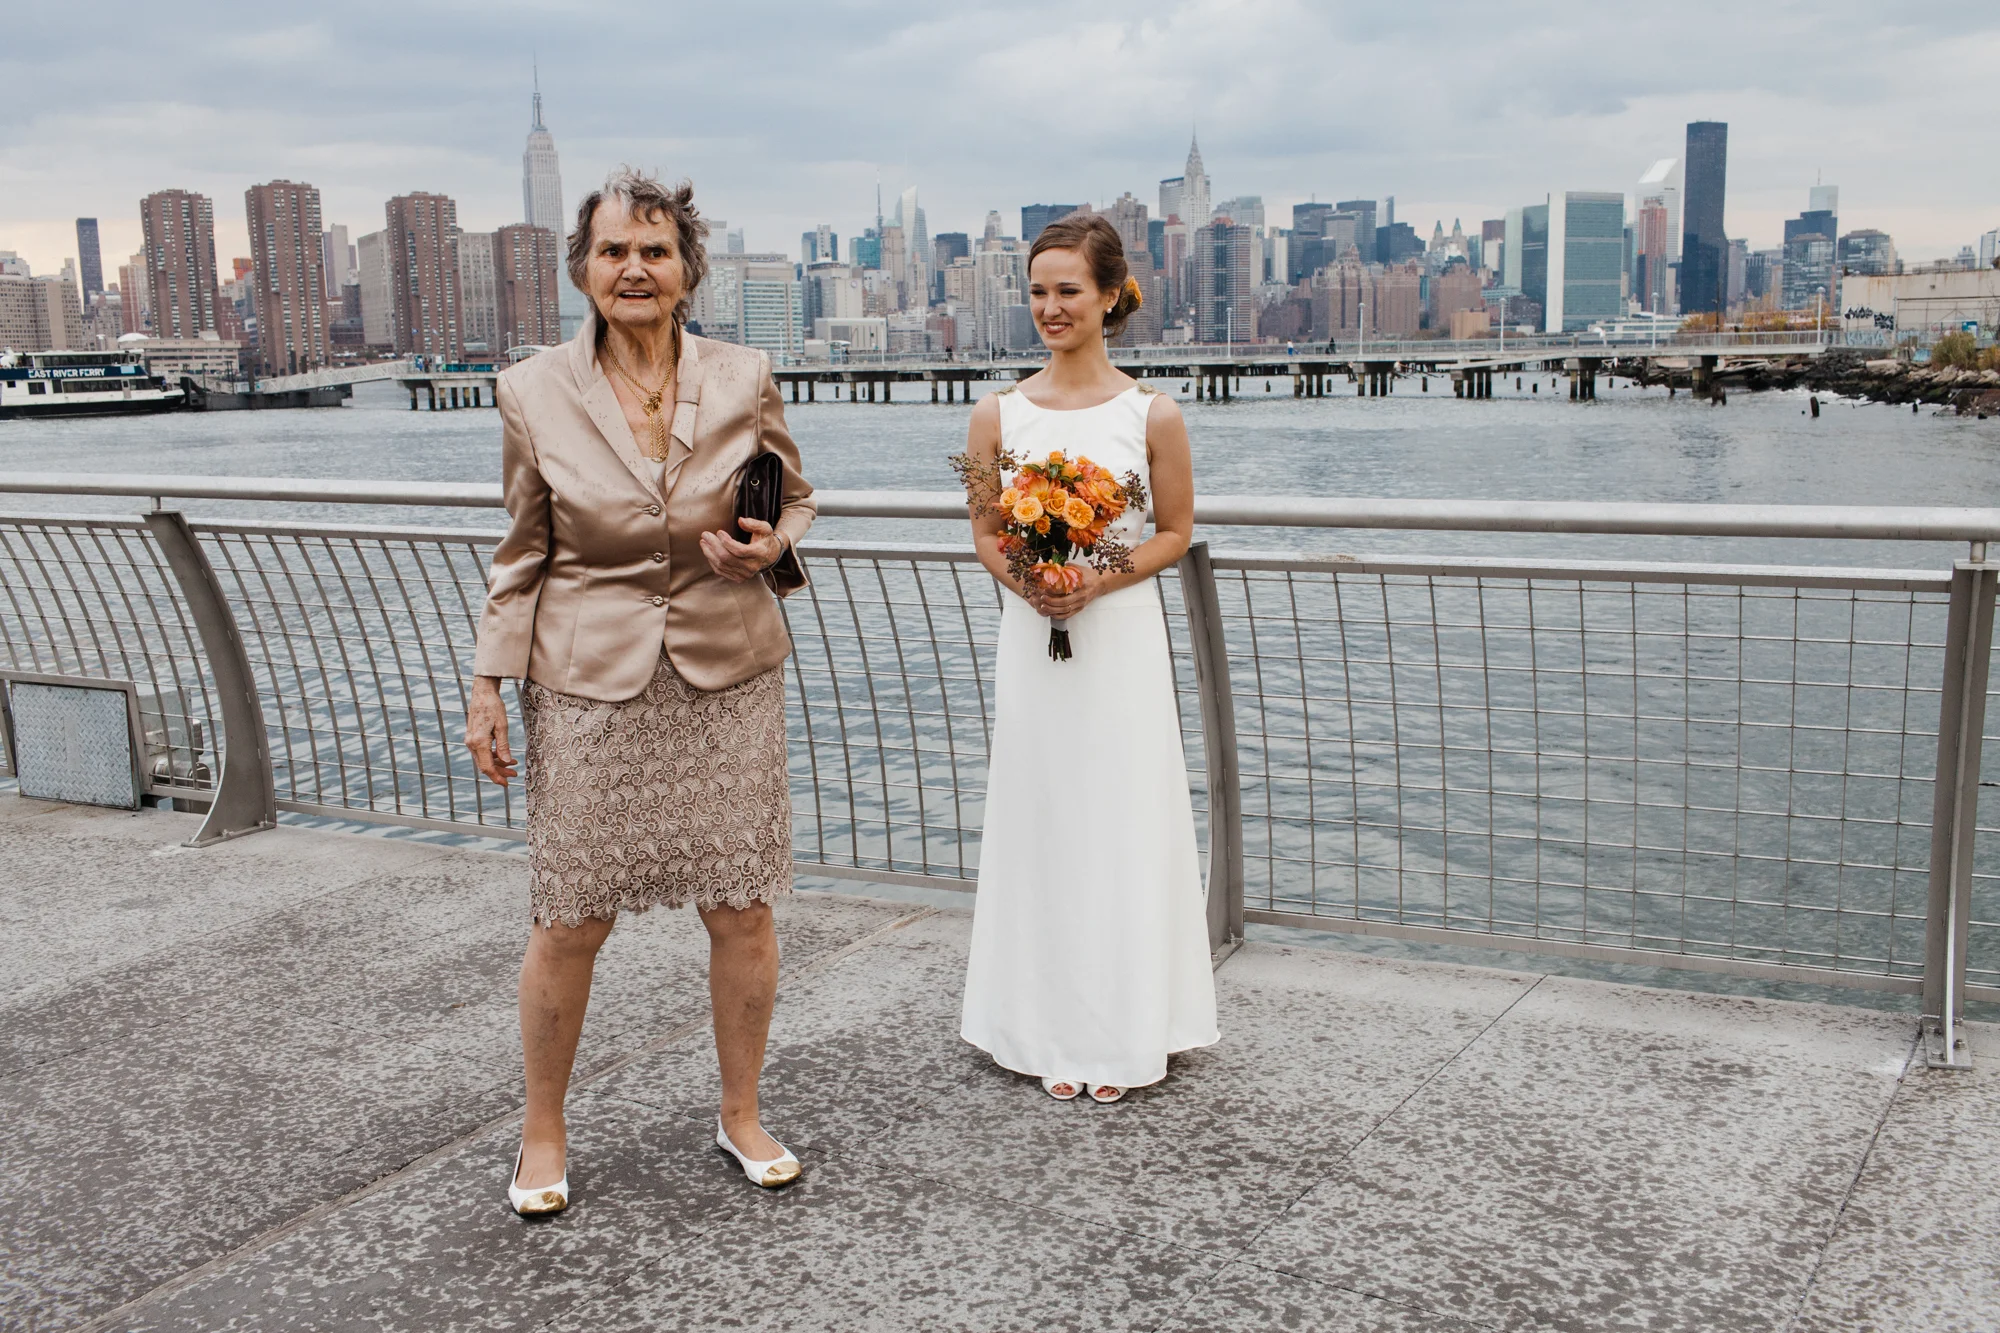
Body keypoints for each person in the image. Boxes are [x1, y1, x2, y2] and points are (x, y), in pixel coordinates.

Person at [464, 168, 816, 1215]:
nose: (633, 268)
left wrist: (768, 547)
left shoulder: (745, 374)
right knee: (569, 917)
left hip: (725, 672)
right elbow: (521, 551)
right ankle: (541, 1131)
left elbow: (792, 497)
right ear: (582, 268)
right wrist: (488, 680)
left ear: (686, 270)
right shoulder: (530, 391)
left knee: (742, 908)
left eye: (654, 251)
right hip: (588, 684)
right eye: (614, 250)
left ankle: (740, 1114)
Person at [958, 214, 1219, 1104]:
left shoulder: (1156, 414)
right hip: (1033, 638)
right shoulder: (994, 414)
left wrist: (1094, 577)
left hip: (1120, 641)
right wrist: (1032, 580)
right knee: (1043, 814)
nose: (1050, 307)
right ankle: (1037, 1024)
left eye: (1068, 290)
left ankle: (1124, 1029)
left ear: (1111, 296)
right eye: (1037, 291)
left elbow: (1176, 533)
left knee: (1121, 815)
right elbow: (987, 533)